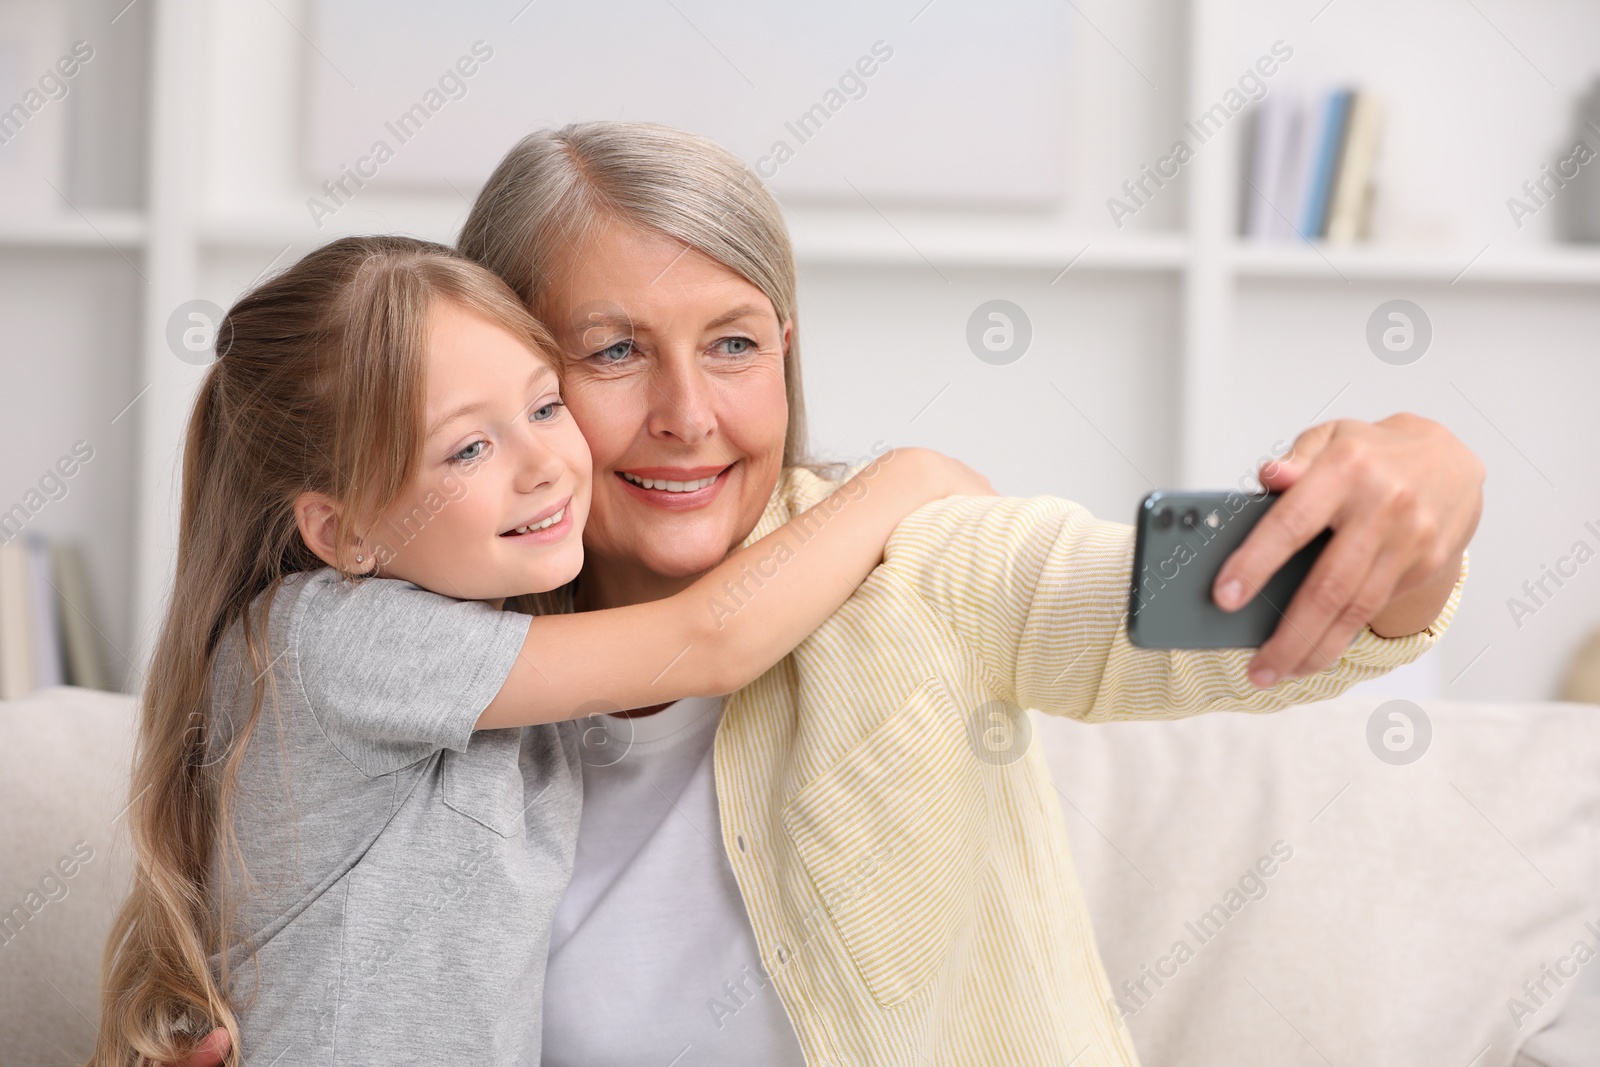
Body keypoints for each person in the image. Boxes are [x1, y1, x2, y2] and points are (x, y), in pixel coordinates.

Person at [179, 121, 1482, 1066]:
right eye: (614, 351)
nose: (688, 415)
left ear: (787, 355)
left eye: (735, 343)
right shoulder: (405, 672)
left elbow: (1147, 604)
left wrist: (1420, 491)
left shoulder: (913, 566)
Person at [89, 235, 991, 1066]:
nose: (545, 463)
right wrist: (902, 480)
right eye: (470, 447)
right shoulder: (331, 636)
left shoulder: (491, 644)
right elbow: (707, 640)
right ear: (344, 530)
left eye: (546, 403)